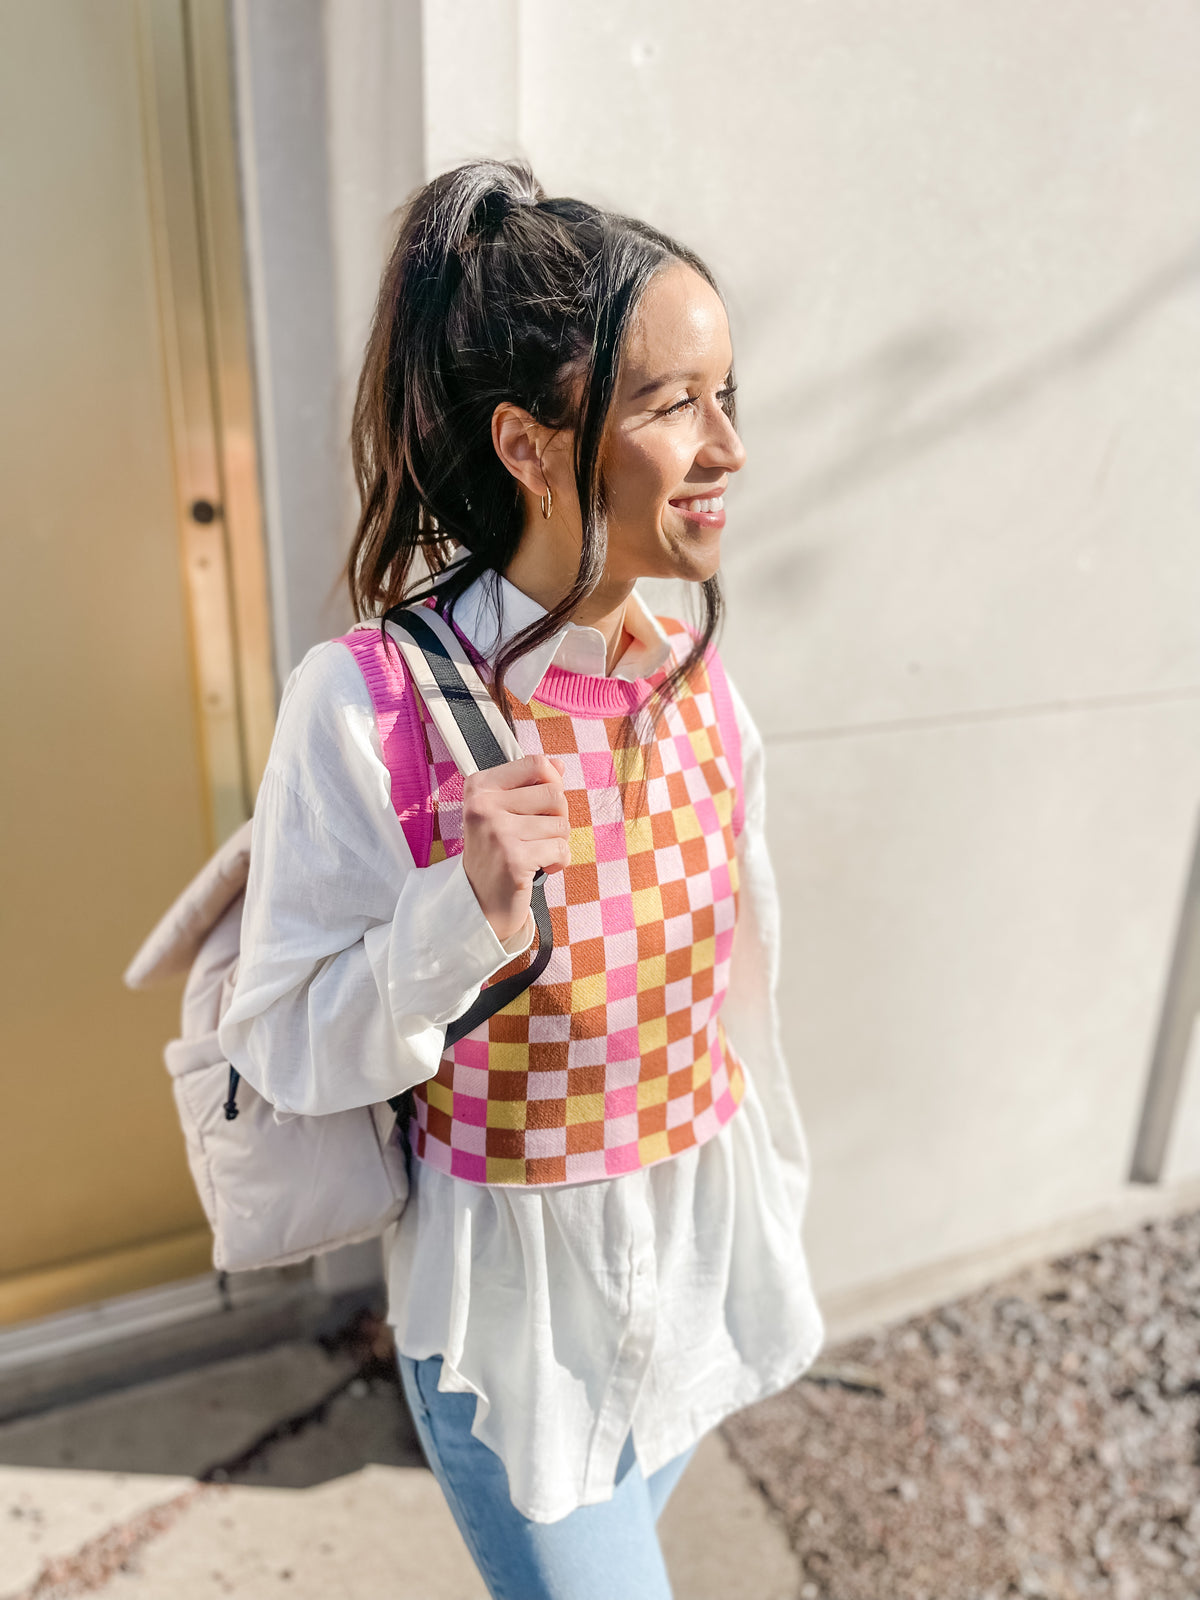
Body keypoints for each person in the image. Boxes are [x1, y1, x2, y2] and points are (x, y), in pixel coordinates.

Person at [219, 159, 823, 1600]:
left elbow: (742, 998)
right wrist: (460, 915)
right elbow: (284, 1042)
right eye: (674, 403)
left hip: (689, 1290)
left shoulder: (696, 680)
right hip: (519, 1347)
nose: (729, 446)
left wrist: (774, 1207)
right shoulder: (365, 706)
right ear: (532, 446)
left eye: (729, 392)